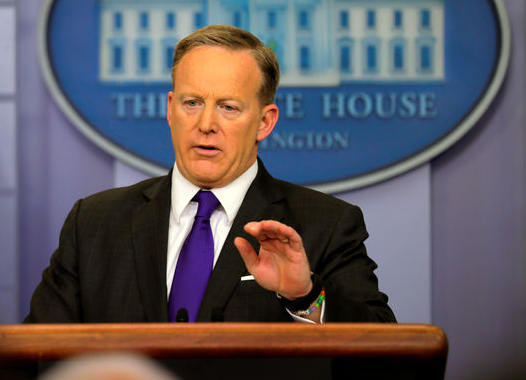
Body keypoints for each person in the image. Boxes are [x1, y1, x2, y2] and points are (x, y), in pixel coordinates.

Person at [26, 25, 395, 324]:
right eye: (192, 103)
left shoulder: (325, 226)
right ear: (171, 109)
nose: (206, 124)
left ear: (265, 122)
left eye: (228, 107)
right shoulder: (94, 223)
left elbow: (387, 361)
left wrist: (306, 297)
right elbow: (37, 356)